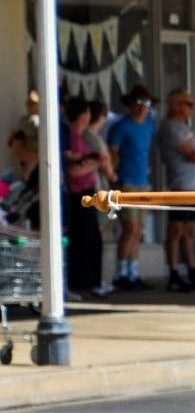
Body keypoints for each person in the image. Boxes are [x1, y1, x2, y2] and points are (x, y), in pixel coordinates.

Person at [155, 88, 195, 292]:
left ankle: (192, 271)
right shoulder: (171, 128)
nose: (193, 108)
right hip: (179, 185)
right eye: (188, 104)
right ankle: (173, 272)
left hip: (193, 187)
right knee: (176, 229)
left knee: (190, 230)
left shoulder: (185, 127)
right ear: (176, 105)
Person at [107, 86, 157, 290]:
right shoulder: (121, 126)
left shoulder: (150, 125)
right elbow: (112, 153)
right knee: (130, 228)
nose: (143, 107)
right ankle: (121, 273)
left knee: (139, 230)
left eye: (147, 103)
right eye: (139, 103)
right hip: (126, 181)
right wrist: (114, 178)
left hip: (143, 181)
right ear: (130, 105)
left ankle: (134, 272)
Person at [61, 98, 108, 300]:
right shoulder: (70, 137)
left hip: (90, 190)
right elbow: (74, 170)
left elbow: (96, 161)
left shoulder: (83, 137)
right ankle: (79, 283)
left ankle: (92, 282)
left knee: (93, 240)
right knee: (81, 240)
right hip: (77, 195)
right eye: (86, 113)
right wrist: (93, 162)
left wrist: (91, 162)